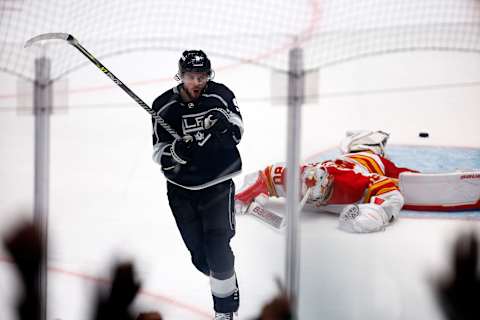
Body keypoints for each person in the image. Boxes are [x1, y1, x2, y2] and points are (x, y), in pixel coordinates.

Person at [151, 50, 243, 319]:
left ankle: (225, 311)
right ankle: (224, 280)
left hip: (217, 184)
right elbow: (158, 151)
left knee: (218, 248)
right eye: (192, 77)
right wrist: (176, 152)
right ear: (181, 76)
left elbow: (237, 132)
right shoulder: (163, 105)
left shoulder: (220, 95)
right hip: (182, 191)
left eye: (202, 77)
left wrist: (224, 127)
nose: (197, 83)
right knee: (201, 259)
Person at [235, 131, 418, 233]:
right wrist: (241, 197)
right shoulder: (298, 177)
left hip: (362, 167)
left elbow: (393, 194)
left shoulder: (359, 179)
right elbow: (263, 176)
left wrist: (375, 214)